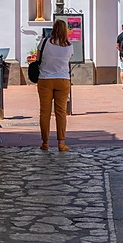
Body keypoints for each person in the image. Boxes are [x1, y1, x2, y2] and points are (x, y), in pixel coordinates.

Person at [37, 18, 73, 152]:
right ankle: (61, 143)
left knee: (44, 112)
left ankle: (45, 142)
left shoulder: (44, 42)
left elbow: (38, 58)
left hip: (45, 78)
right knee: (61, 112)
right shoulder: (69, 46)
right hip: (63, 80)